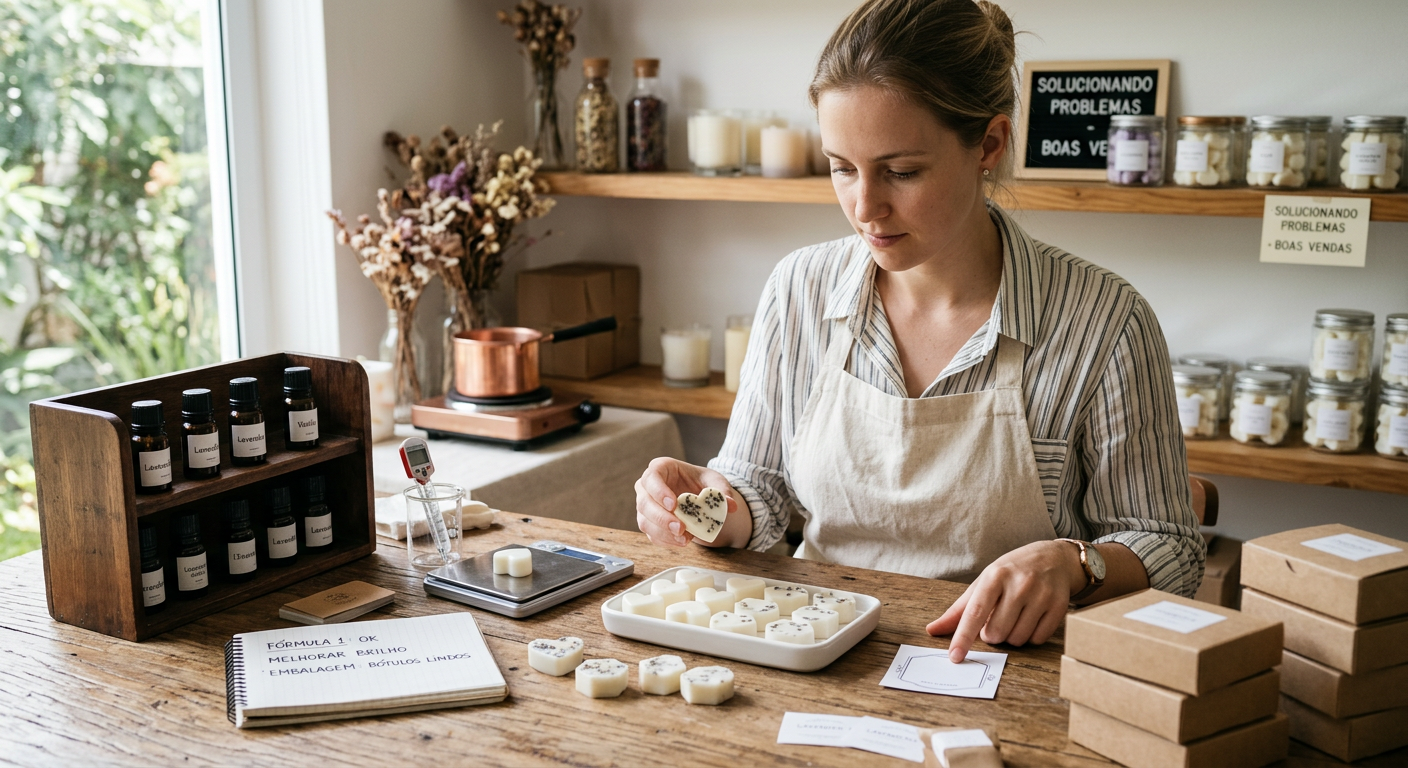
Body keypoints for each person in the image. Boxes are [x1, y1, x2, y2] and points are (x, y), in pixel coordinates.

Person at [634, 0, 1205, 662]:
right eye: (842, 167)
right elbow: (757, 492)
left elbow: (1173, 548)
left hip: (1007, 672)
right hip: (813, 648)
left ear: (989, 144)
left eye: (901, 171)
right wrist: (704, 509)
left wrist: (1078, 563)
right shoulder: (799, 289)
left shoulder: (1104, 320)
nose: (864, 207)